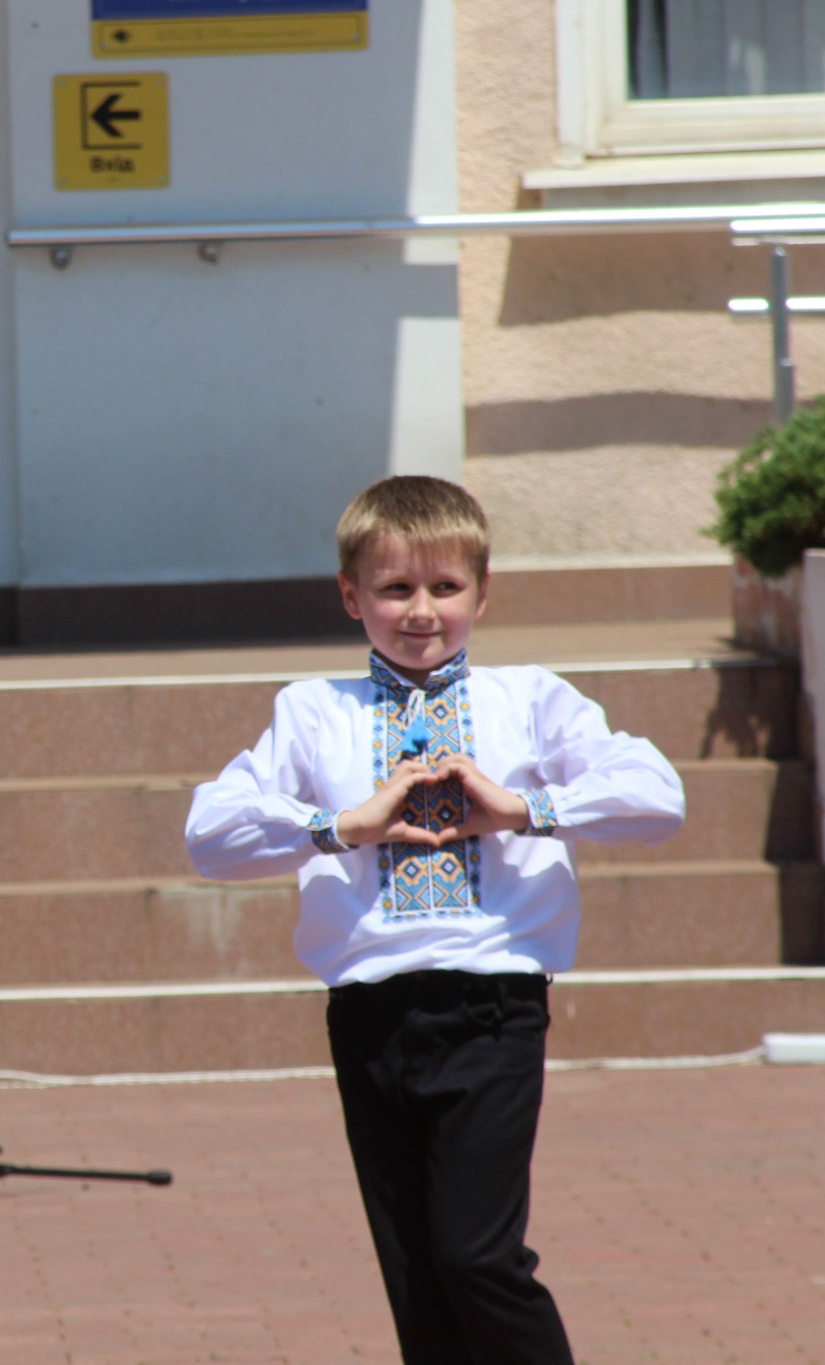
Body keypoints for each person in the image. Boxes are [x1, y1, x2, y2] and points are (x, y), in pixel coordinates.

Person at [184, 475, 684, 1365]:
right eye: (394, 588)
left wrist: (522, 810)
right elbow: (211, 835)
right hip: (370, 1010)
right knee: (417, 1276)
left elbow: (656, 796)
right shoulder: (312, 709)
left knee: (477, 1253)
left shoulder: (529, 698)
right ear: (351, 596)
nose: (421, 611)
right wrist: (343, 826)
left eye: (445, 587)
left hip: (492, 1004)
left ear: (482, 593)